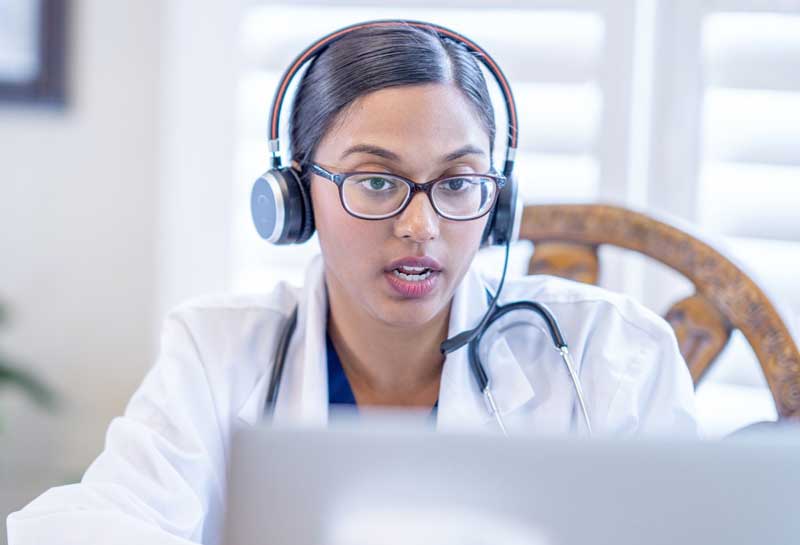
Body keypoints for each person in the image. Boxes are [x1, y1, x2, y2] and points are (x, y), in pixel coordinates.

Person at [7, 21, 697, 545]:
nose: (422, 225)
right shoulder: (220, 346)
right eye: (375, 179)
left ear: (499, 200)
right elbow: (106, 515)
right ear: (293, 194)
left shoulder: (612, 352)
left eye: (458, 182)